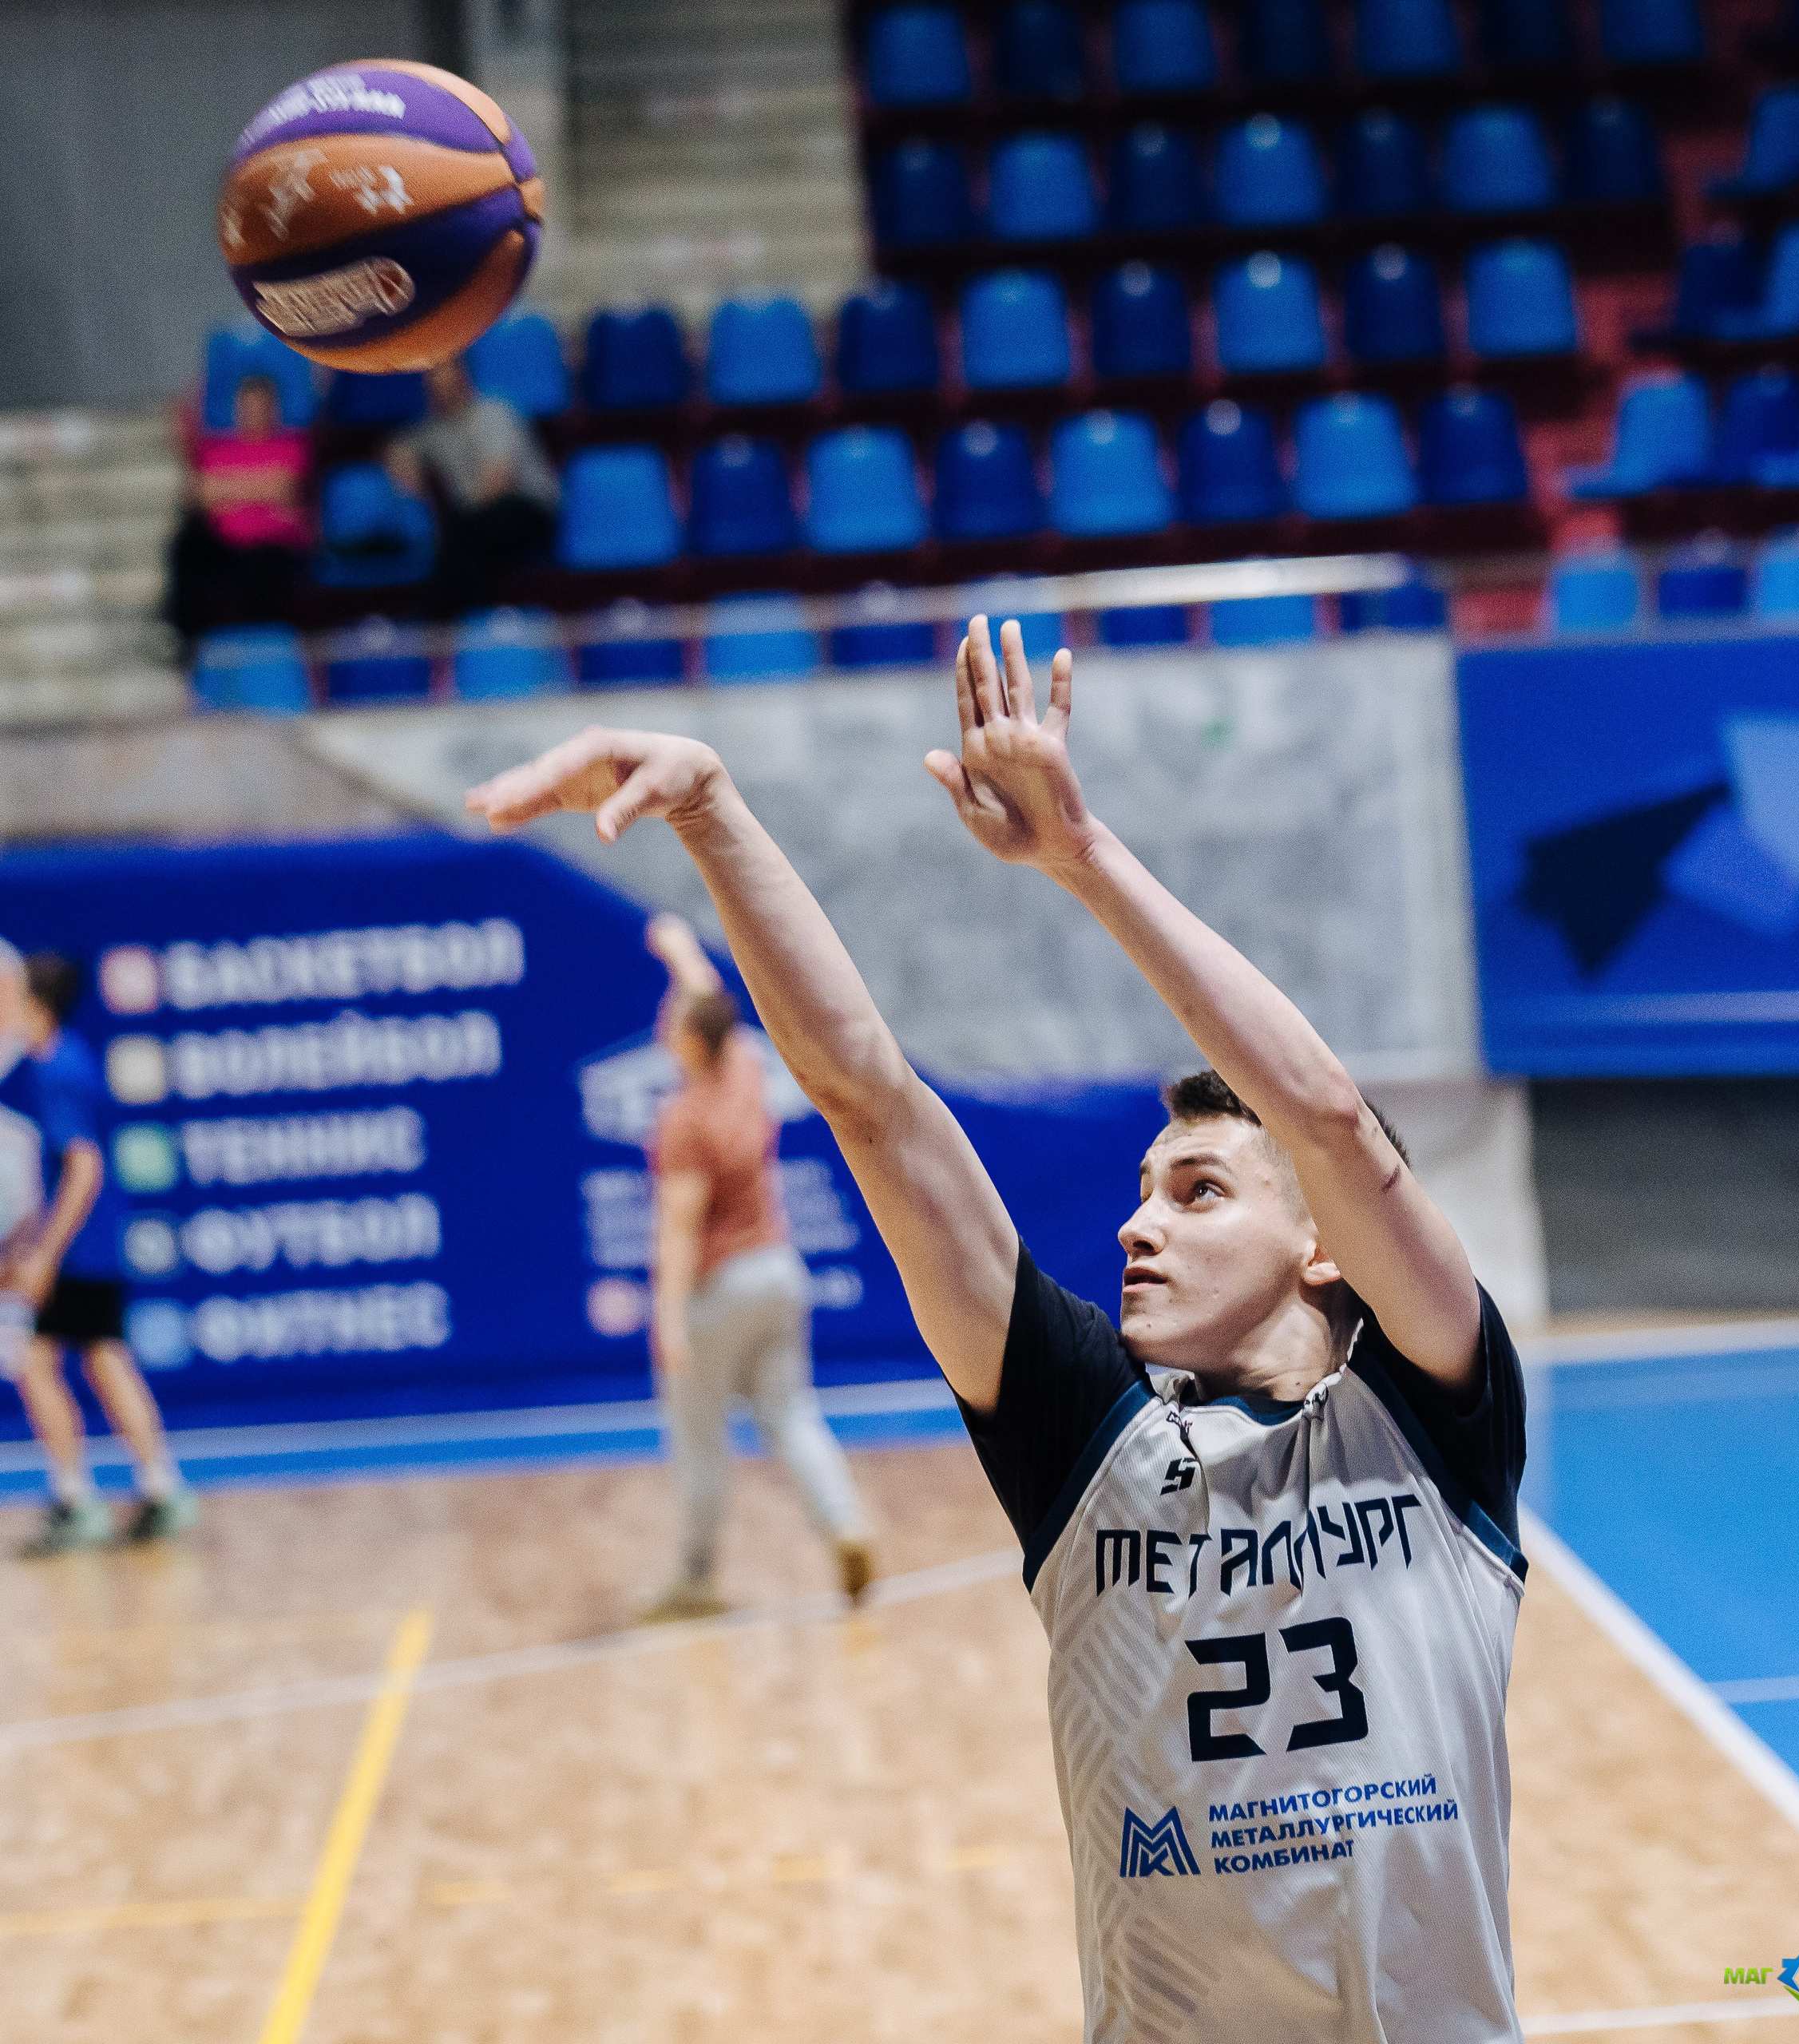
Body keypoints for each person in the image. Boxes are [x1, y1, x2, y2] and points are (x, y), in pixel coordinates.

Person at [466, 616, 1528, 2042]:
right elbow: (871, 1099)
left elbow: (1328, 1116)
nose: (1138, 1226)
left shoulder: (1434, 1419)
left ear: (1324, 1248)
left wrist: (1082, 858)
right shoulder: (1081, 1435)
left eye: (1199, 1189)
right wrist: (718, 818)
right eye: (1143, 1192)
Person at [641, 912, 873, 1620]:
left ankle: (695, 1578)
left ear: (687, 1039)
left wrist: (668, 1322)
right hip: (778, 1273)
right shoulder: (743, 1068)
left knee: (700, 1443)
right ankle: (847, 1526)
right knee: (793, 1415)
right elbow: (713, 996)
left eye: (673, 1013)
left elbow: (679, 1232)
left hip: (717, 1291)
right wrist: (681, 950)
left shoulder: (684, 1121)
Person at [0, 949, 198, 1556]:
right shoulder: (60, 1063)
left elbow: (83, 1168)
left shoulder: (57, 1069)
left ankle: (75, 1498)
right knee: (102, 1360)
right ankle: (159, 1487)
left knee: (40, 1366)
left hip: (79, 1252)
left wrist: (45, 1254)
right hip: (89, 1247)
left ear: (32, 1002)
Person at [387, 358, 558, 620]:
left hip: (527, 510)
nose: (440, 386)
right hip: (478, 523)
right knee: (466, 543)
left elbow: (498, 483)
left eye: (446, 377)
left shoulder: (494, 413)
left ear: (463, 376)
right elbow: (399, 447)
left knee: (461, 532)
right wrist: (406, 465)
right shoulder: (435, 428)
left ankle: (437, 617)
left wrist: (459, 517)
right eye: (434, 380)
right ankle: (471, 622)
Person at [164, 371, 313, 648]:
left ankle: (260, 652)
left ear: (274, 408)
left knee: (264, 567)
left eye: (261, 406)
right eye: (247, 405)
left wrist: (225, 488)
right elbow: (198, 493)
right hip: (224, 545)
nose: (254, 412)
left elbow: (283, 489)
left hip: (271, 545)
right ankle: (182, 641)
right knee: (186, 545)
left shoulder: (293, 445)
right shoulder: (217, 449)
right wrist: (259, 487)